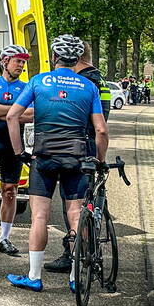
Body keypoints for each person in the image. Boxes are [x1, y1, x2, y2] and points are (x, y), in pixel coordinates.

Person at [5, 35, 108, 292]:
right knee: (75, 216)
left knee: (39, 215)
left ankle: (34, 276)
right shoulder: (88, 86)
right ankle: (75, 279)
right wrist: (99, 161)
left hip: (44, 156)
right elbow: (101, 131)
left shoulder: (39, 81)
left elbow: (11, 116)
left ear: (54, 57)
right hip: (77, 157)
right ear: (77, 59)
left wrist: (20, 153)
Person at [44, 43, 113, 273]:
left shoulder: (85, 81)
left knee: (73, 205)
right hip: (93, 145)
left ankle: (73, 254)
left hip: (80, 145)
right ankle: (88, 252)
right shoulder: (100, 79)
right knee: (88, 203)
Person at [0, 44, 33, 256]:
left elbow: (31, 114)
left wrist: (0, 111)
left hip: (13, 144)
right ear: (5, 62)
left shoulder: (27, 87)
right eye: (17, 61)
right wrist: (14, 113)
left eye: (23, 62)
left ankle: (4, 238)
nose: (21, 65)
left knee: (10, 191)